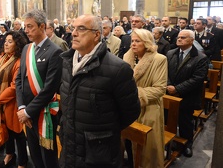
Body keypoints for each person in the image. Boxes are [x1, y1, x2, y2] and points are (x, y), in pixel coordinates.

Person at [59, 15, 140, 168]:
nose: (74, 33)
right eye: (73, 28)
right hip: (70, 146)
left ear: (97, 35)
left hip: (98, 154)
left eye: (81, 29)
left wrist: (102, 133)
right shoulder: (66, 62)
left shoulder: (118, 69)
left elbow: (131, 112)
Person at [15, 9, 63, 168]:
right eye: (25, 26)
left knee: (48, 157)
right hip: (26, 113)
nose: (26, 30)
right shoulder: (26, 49)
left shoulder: (54, 51)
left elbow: (49, 89)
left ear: (42, 26)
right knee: (35, 154)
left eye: (30, 26)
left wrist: (28, 111)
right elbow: (19, 80)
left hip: (43, 113)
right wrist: (22, 107)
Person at [123, 28, 167, 167]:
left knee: (146, 150)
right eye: (132, 41)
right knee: (128, 141)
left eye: (137, 41)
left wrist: (132, 94)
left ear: (147, 43)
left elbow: (159, 89)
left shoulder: (159, 59)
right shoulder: (127, 57)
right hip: (128, 107)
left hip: (148, 107)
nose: (133, 44)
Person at [0, 31, 28, 168]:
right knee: (4, 129)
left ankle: (22, 162)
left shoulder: (19, 61)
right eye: (5, 41)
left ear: (17, 44)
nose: (6, 43)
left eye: (10, 41)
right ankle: (10, 154)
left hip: (12, 103)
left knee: (17, 133)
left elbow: (14, 87)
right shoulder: (2, 57)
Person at [167, 30, 209, 157]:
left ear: (191, 40)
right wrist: (169, 86)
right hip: (169, 93)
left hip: (187, 96)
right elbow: (165, 71)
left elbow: (197, 79)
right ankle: (170, 141)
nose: (179, 39)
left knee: (185, 121)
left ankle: (187, 144)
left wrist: (178, 89)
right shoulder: (170, 53)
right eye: (178, 37)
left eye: (183, 37)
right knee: (169, 119)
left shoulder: (200, 57)